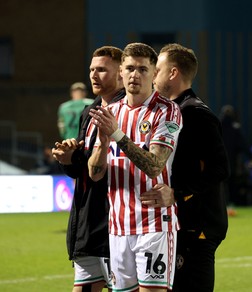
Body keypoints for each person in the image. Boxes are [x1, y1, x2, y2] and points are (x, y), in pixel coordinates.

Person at [87, 42, 182, 292]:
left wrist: (116, 134)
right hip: (117, 227)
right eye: (129, 68)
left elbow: (154, 166)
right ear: (121, 72)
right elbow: (95, 174)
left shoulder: (166, 111)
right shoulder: (111, 112)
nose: (135, 75)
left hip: (154, 224)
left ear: (154, 74)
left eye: (142, 69)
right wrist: (102, 142)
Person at [140, 43, 230, 292]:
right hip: (177, 224)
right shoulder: (168, 112)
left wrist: (176, 193)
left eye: (157, 69)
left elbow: (220, 169)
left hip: (195, 227)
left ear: (173, 73)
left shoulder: (196, 114)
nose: (152, 75)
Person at [52, 45, 125, 291]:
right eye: (92, 69)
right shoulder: (89, 111)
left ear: (121, 74)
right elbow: (84, 169)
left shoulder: (129, 112)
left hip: (116, 225)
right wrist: (69, 158)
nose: (94, 75)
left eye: (102, 70)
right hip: (87, 223)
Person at [220, 104, 249, 206]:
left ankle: (221, 203)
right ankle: (231, 203)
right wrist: (251, 157)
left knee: (220, 184)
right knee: (232, 183)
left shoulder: (217, 125)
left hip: (218, 162)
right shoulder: (235, 127)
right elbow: (242, 144)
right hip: (232, 162)